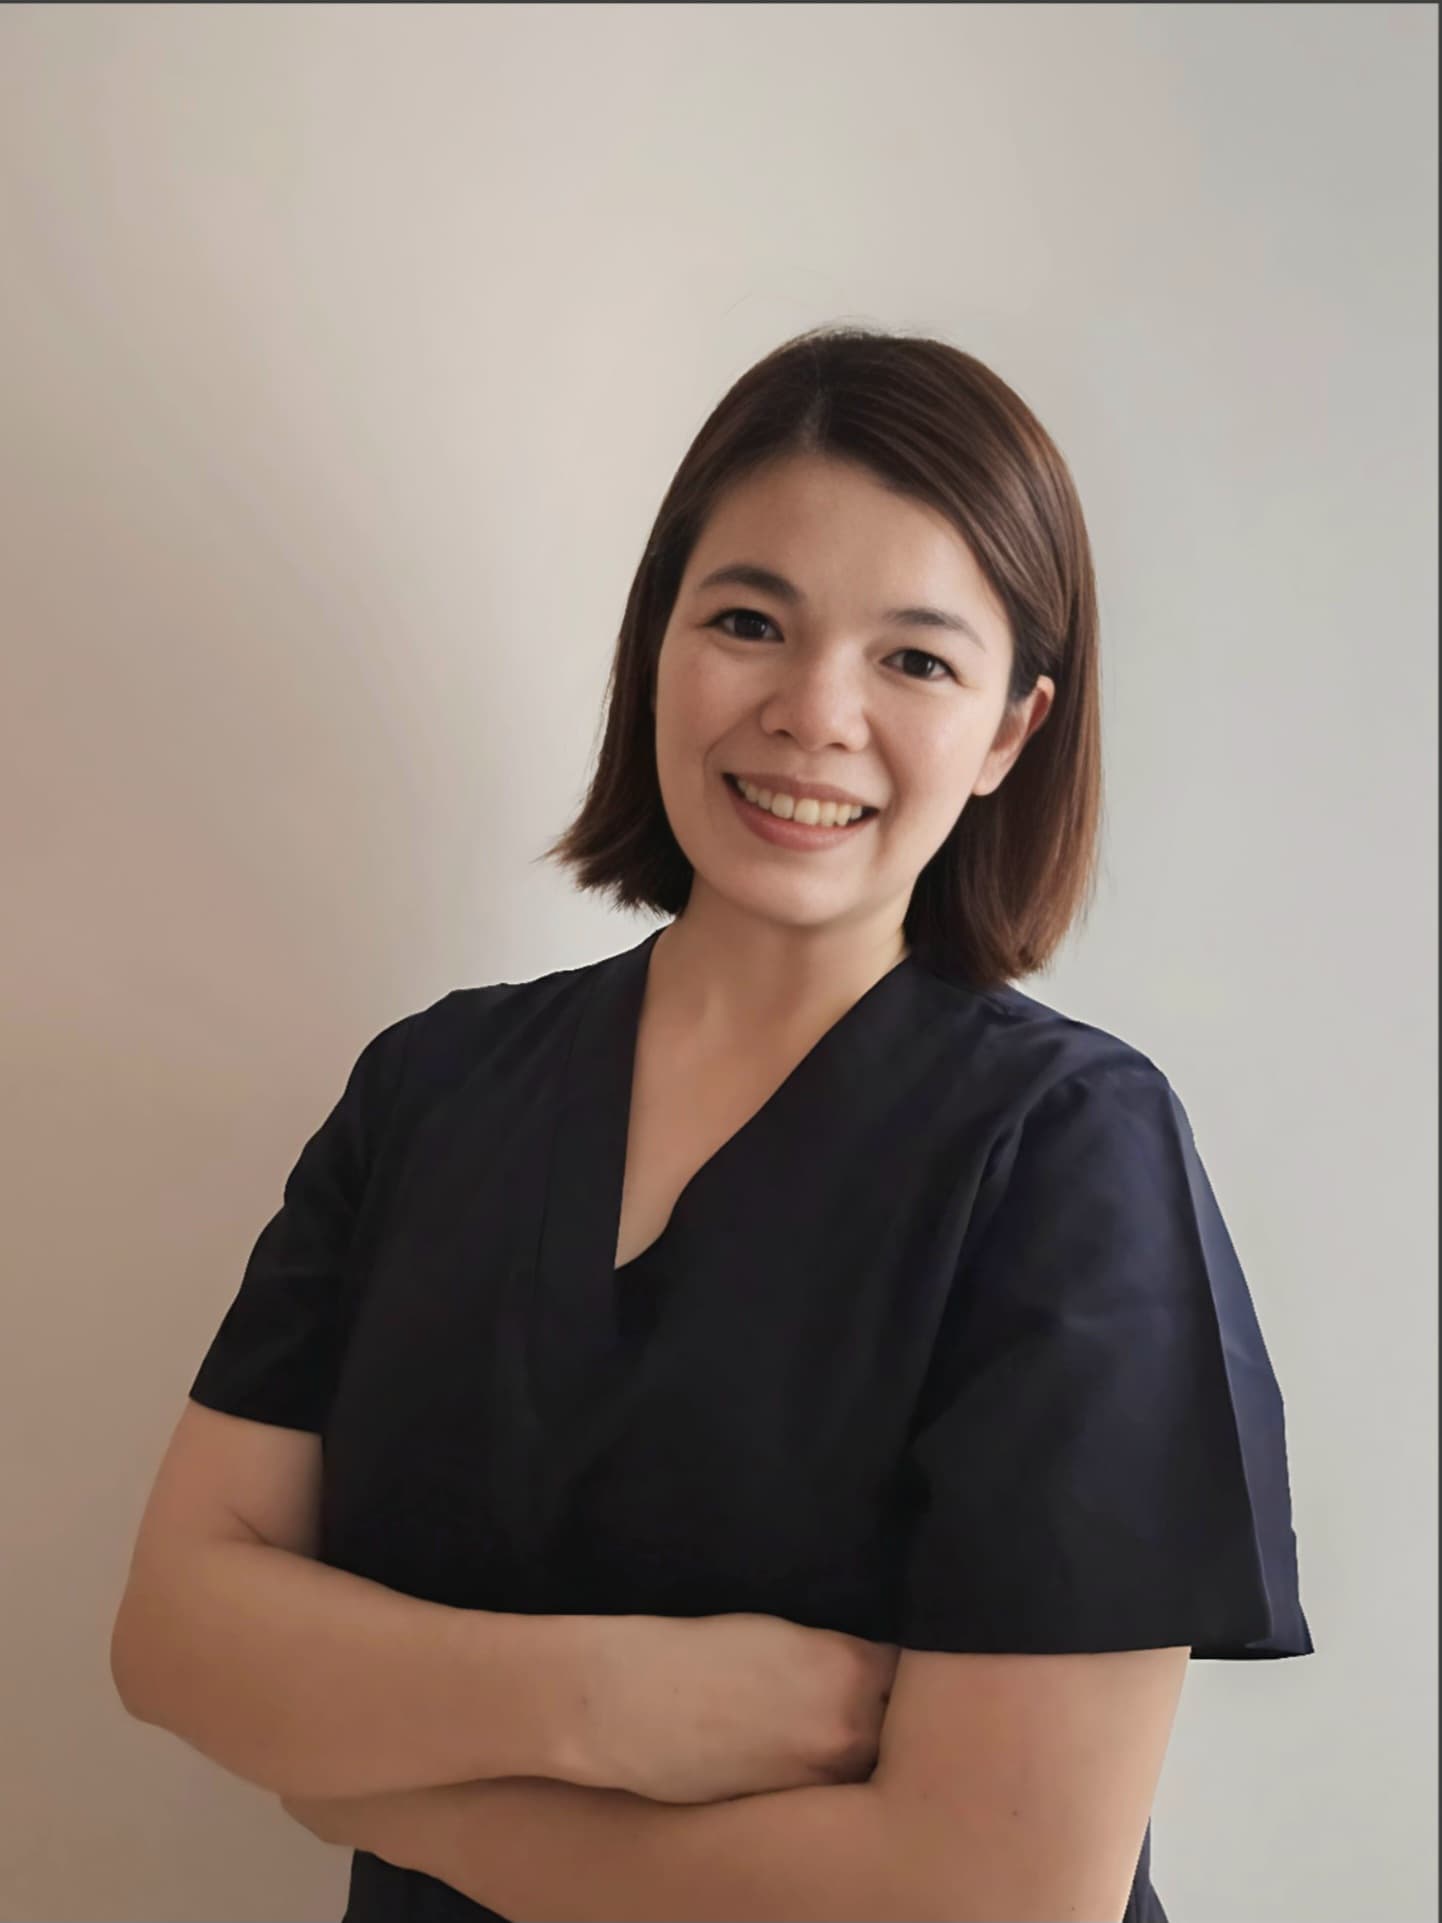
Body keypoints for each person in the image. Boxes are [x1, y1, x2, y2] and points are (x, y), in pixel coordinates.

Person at [121, 325, 1313, 1922]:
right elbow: (174, 1637)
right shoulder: (429, 1091)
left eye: (914, 660)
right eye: (749, 622)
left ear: (1008, 734)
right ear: (657, 645)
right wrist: (611, 1705)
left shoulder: (1063, 1154)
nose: (813, 713)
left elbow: (1000, 1895)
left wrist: (390, 1794)